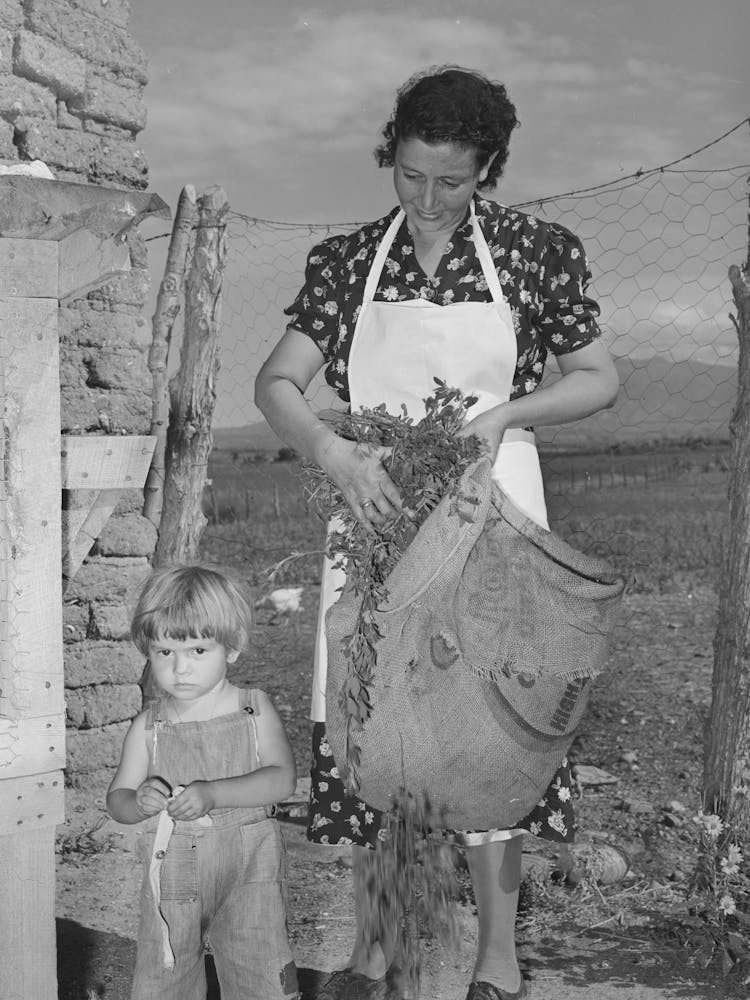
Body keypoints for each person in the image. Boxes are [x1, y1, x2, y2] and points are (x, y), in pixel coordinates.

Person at [255, 65, 620, 1000]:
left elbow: (596, 377)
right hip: (377, 506)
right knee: (383, 731)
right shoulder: (347, 262)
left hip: (491, 512)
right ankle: (383, 951)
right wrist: (334, 457)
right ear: (393, 157)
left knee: (493, 724)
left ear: (487, 169)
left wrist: (502, 416)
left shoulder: (537, 253)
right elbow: (276, 385)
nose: (426, 199)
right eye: (410, 175)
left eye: (450, 181)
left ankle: (496, 958)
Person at [107, 565, 300, 1000]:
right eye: (164, 653)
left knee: (262, 972)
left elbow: (281, 779)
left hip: (250, 870)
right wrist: (138, 802)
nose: (180, 669)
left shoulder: (254, 710)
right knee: (166, 973)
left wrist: (214, 793)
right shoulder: (148, 727)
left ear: (231, 648)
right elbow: (116, 800)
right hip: (174, 872)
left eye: (197, 650)